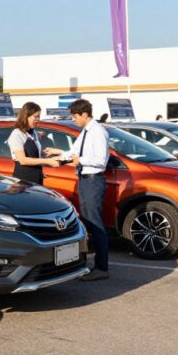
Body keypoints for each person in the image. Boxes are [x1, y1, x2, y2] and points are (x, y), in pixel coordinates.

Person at [62, 99, 111, 282]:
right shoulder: (85, 132)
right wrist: (60, 155)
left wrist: (80, 160)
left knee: (96, 224)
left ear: (84, 114)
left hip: (92, 181)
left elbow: (100, 160)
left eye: (75, 116)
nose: (73, 120)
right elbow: (74, 152)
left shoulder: (98, 132)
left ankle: (101, 267)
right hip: (84, 180)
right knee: (89, 223)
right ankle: (92, 264)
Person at [7, 102, 63, 185]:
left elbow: (34, 156)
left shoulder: (33, 133)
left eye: (39, 117)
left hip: (36, 178)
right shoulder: (17, 134)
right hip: (23, 180)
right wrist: (47, 161)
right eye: (35, 116)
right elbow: (23, 160)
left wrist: (48, 154)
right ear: (26, 116)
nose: (38, 119)